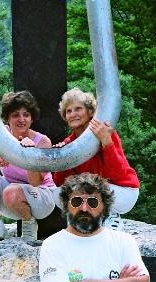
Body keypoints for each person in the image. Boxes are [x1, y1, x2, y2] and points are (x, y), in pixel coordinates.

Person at [0, 90, 54, 241]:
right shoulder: (2, 134)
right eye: (15, 115)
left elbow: (36, 182)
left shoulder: (42, 141)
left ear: (31, 118)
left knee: (11, 191)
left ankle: (29, 224)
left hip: (41, 198)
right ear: (8, 118)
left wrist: (30, 154)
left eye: (26, 115)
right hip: (10, 198)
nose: (21, 119)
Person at [52, 88, 140, 230]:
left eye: (78, 109)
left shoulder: (105, 132)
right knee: (57, 193)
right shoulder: (68, 143)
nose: (73, 114)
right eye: (68, 111)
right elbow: (60, 182)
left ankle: (110, 215)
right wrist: (61, 160)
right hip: (90, 192)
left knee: (91, 188)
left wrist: (106, 143)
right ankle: (80, 218)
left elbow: (116, 174)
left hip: (121, 192)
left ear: (90, 112)